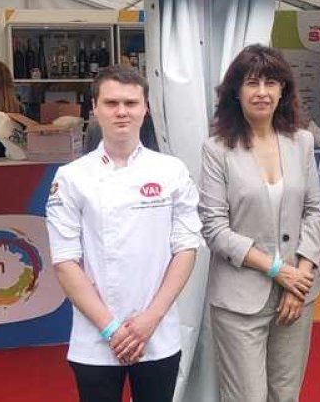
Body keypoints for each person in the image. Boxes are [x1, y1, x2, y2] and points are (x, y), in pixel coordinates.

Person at [45, 66, 202, 402]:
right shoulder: (71, 177)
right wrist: (111, 328)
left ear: (145, 109)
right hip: (95, 337)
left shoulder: (171, 171)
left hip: (158, 332)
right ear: (95, 108)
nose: (121, 112)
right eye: (111, 102)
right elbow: (64, 262)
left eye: (131, 103)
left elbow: (186, 248)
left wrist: (150, 319)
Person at [198, 45, 320, 402]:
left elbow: (315, 209)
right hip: (240, 298)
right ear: (236, 92)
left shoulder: (301, 142)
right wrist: (278, 271)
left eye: (271, 82)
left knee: (285, 395)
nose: (263, 92)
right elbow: (214, 229)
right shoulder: (217, 149)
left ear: (283, 89)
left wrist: (299, 277)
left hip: (296, 294)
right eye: (252, 83)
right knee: (247, 398)